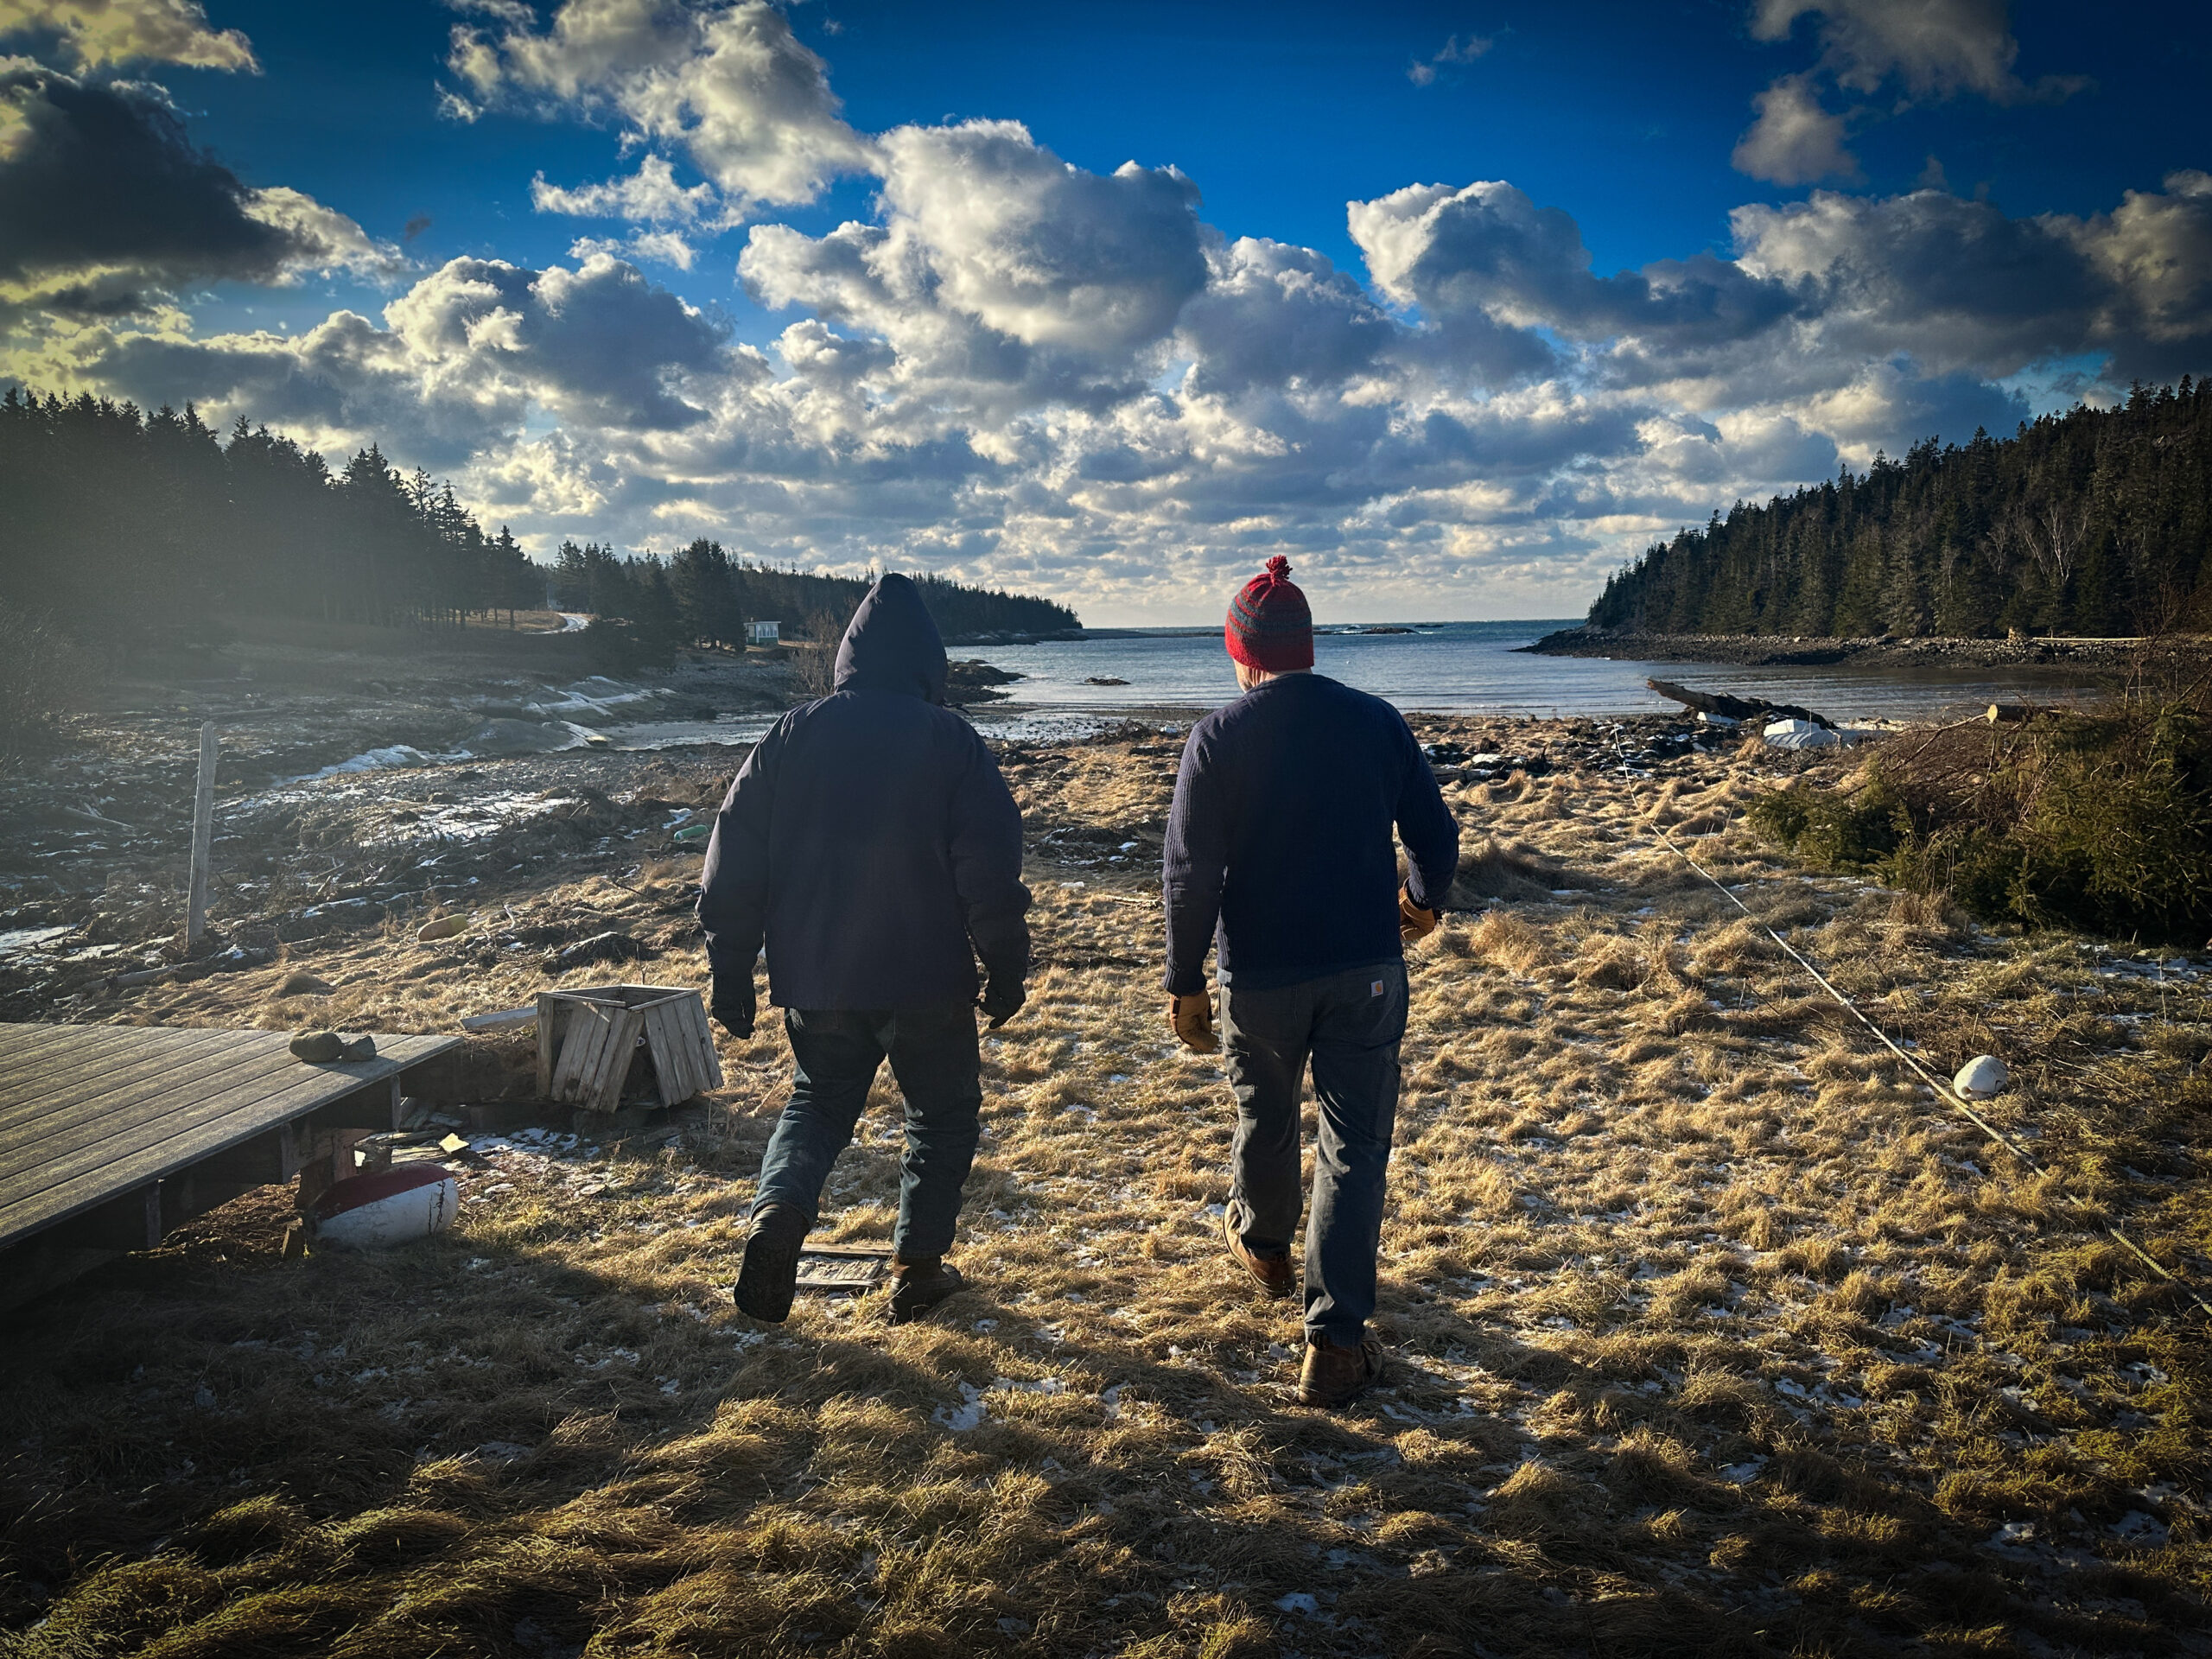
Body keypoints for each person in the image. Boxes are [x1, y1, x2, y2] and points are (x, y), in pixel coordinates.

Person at [1161, 556, 1459, 1408]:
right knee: (1354, 1147)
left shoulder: (1217, 738)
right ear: (1308, 648)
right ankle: (1332, 1342)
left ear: (1239, 650)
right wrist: (1421, 905)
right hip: (1364, 969)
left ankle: (1262, 1250)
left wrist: (1186, 983)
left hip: (1257, 977)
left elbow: (1190, 878)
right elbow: (1435, 840)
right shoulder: (1374, 722)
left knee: (1264, 1113)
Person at [698, 573, 1030, 1326]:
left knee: (817, 1104)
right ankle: (917, 1268)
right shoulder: (952, 741)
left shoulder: (791, 734)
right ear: (929, 663)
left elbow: (732, 861)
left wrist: (731, 968)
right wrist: (1006, 964)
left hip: (819, 979)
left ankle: (779, 1217)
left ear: (848, 654)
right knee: (941, 1119)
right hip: (929, 982)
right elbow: (989, 870)